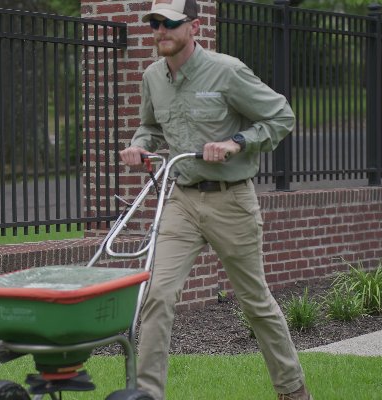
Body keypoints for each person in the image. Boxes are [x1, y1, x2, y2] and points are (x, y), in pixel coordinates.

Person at [118, 1, 312, 399]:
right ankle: (147, 395)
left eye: (169, 23)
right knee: (157, 296)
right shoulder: (153, 76)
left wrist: (236, 143)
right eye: (155, 23)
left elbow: (281, 116)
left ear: (194, 26)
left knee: (255, 302)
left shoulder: (227, 70)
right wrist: (139, 146)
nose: (160, 31)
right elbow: (150, 126)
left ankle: (293, 390)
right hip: (182, 201)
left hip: (231, 201)